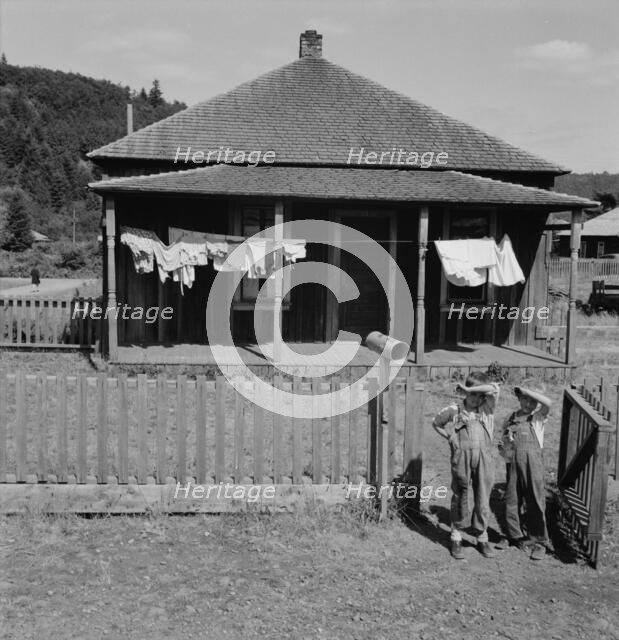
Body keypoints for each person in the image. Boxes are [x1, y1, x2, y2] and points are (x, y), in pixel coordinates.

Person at [432, 371, 500, 560]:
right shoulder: (454, 410)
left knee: (483, 496)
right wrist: (450, 437)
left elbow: (493, 388)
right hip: (462, 457)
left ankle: (481, 535)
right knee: (460, 493)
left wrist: (470, 388)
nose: (475, 399)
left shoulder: (487, 409)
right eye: (471, 394)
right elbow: (436, 423)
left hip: (484, 458)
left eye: (479, 395)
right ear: (464, 394)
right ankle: (456, 534)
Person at [498, 386, 552, 561]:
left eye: (532, 401)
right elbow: (504, 443)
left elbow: (548, 403)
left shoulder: (537, 418)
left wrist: (529, 390)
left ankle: (539, 541)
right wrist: (505, 450)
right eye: (525, 399)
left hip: (533, 464)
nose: (528, 404)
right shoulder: (510, 418)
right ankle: (513, 535)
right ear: (519, 399)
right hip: (513, 463)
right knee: (512, 499)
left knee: (535, 499)